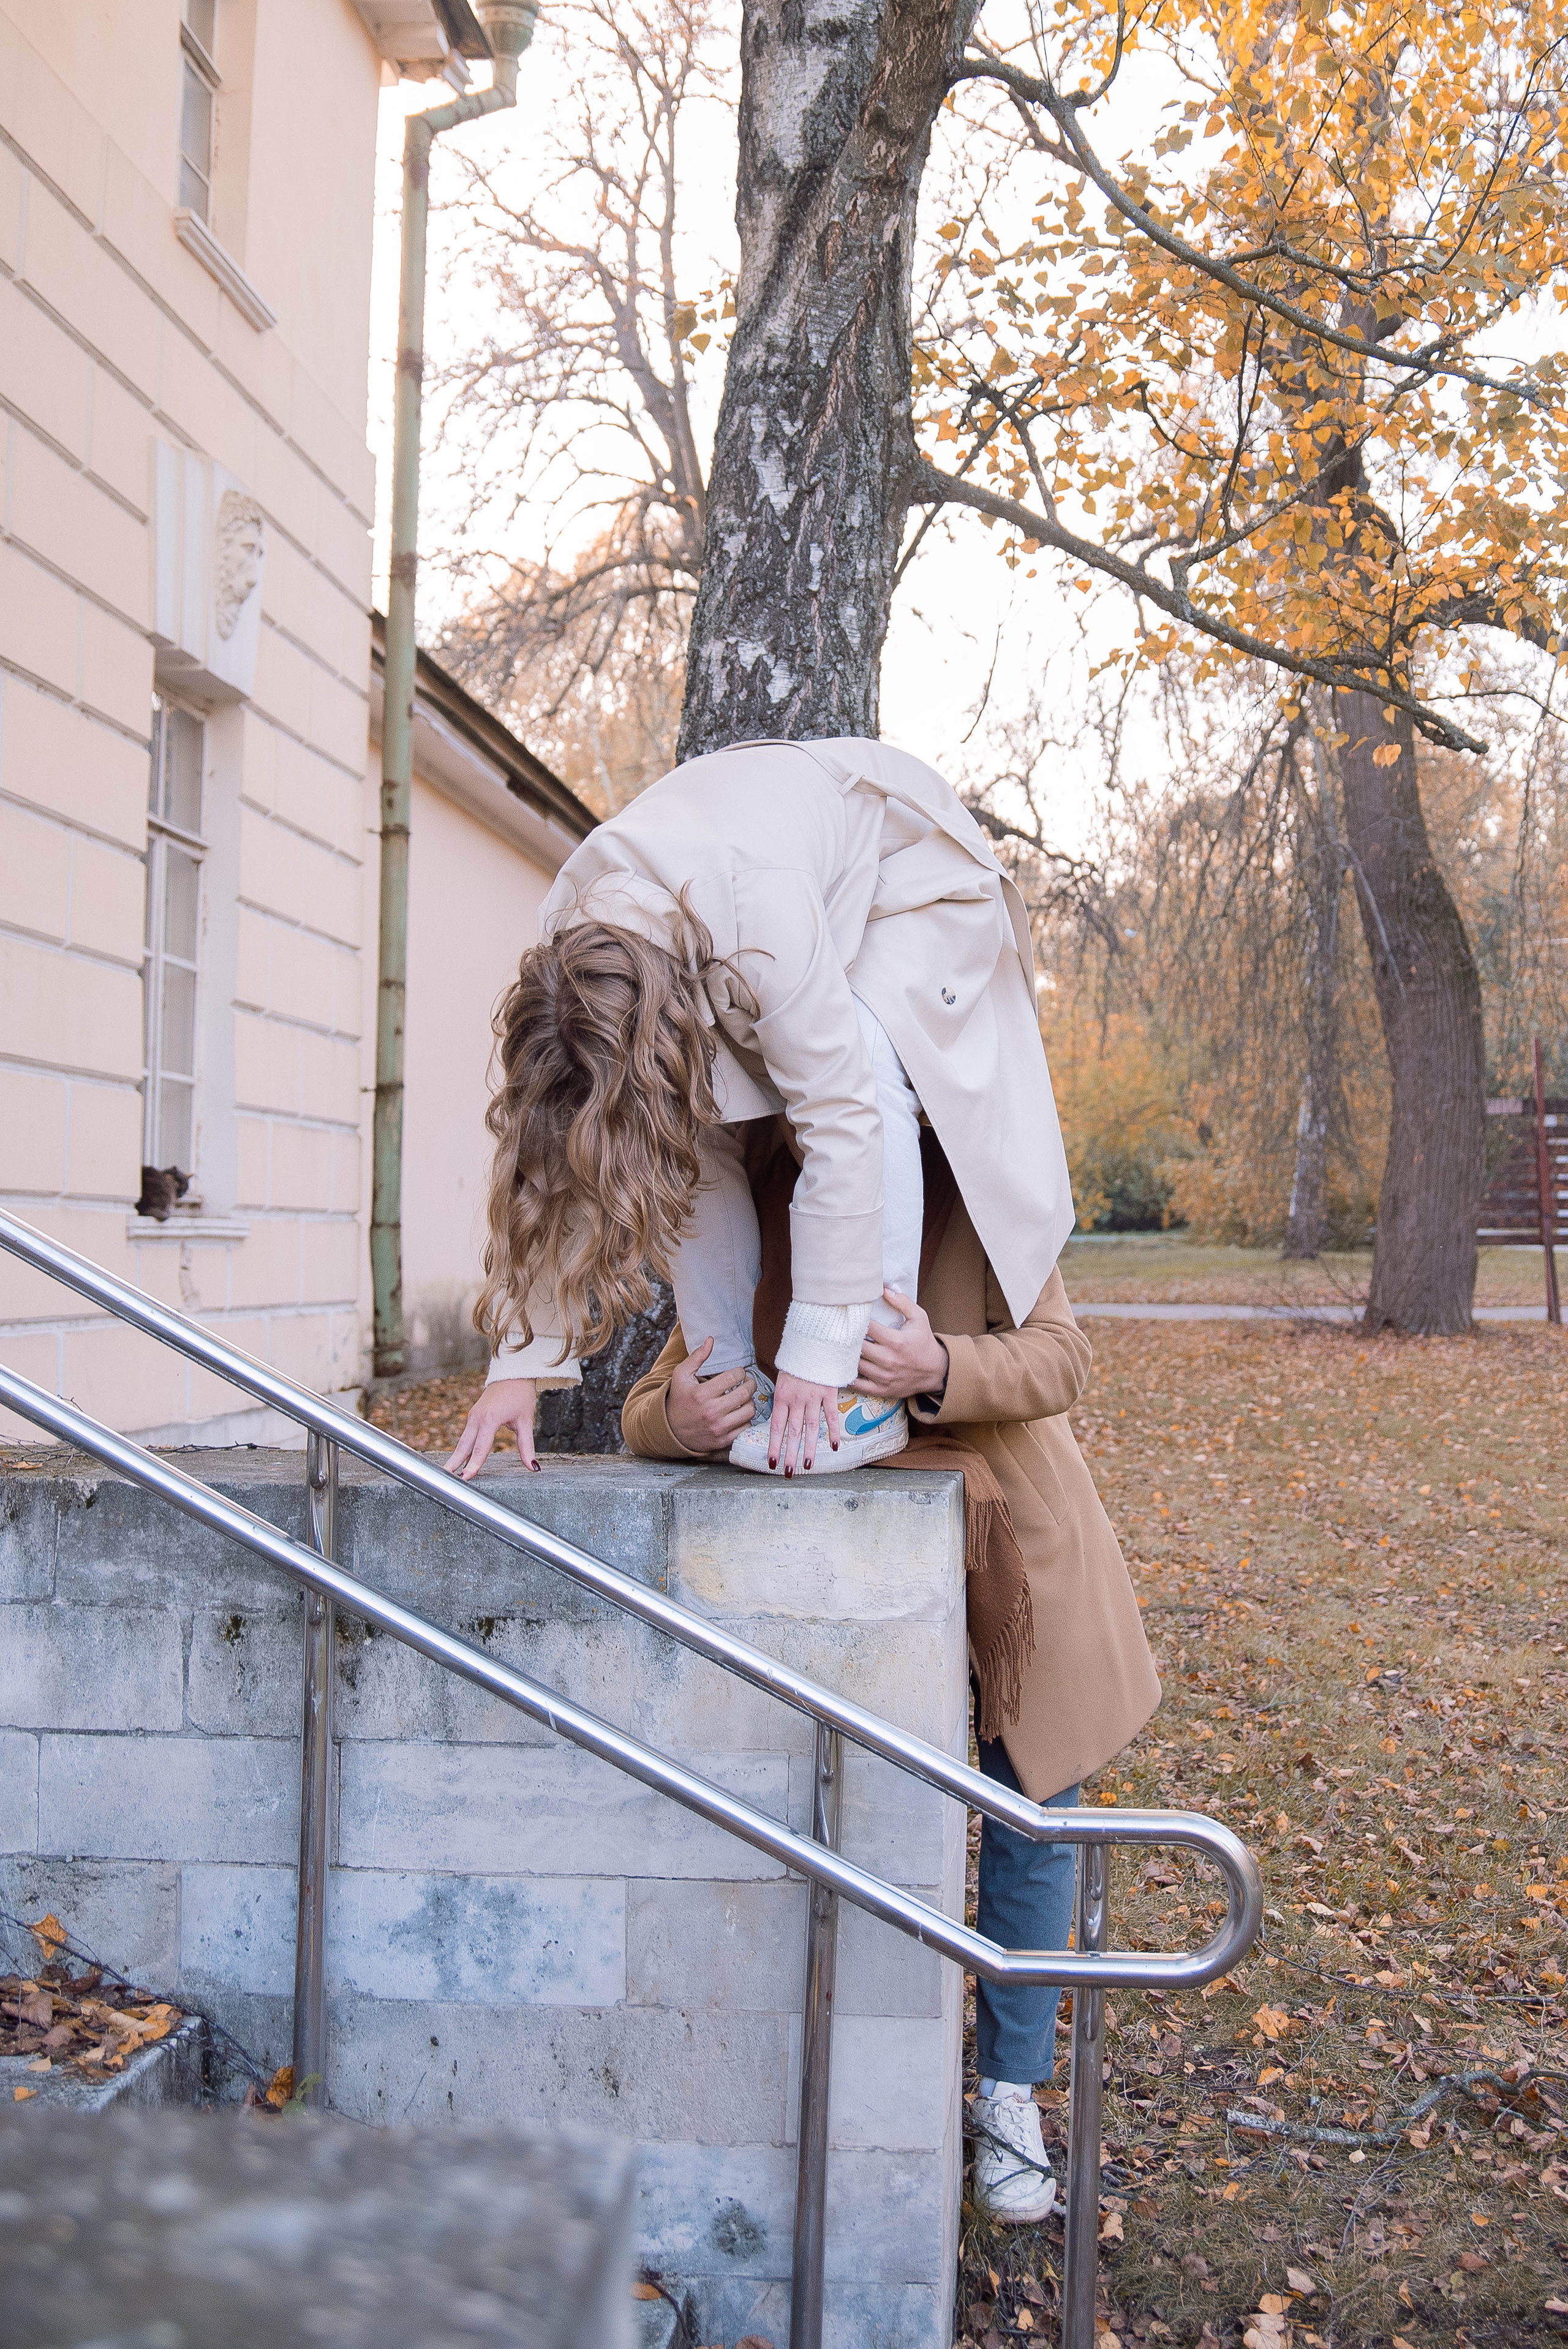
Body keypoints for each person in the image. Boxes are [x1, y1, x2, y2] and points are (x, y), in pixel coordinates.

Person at [617, 1121, 1161, 2223]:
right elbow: (657, 1390)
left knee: (1031, 1813)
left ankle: (1011, 2094)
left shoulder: (974, 1173)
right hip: (840, 1578)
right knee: (855, 1822)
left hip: (1014, 1537)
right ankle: (854, 2072)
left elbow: (1064, 1354)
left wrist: (941, 1365)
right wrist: (675, 1417)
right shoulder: (755, 1182)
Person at [447, 736, 1074, 1486]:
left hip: (908, 882)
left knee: (868, 1060)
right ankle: (735, 1386)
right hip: (735, 915)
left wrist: (821, 1353)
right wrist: (517, 1365)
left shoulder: (759, 917)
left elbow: (845, 1118)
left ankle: (856, 1397)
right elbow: (559, 1144)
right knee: (678, 1127)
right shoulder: (573, 942)